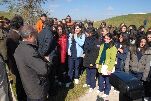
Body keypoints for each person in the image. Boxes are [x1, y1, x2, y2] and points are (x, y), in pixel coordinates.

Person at [14, 25, 49, 101]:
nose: (36, 38)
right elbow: (44, 70)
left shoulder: (18, 48)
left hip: (28, 86)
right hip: (36, 89)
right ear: (30, 36)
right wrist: (46, 62)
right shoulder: (29, 51)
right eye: (35, 35)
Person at [96, 33, 117, 98]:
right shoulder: (102, 45)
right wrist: (97, 62)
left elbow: (113, 59)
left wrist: (110, 69)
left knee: (107, 80)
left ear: (111, 39)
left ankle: (107, 92)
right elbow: (99, 55)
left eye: (108, 39)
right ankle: (101, 88)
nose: (106, 40)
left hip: (107, 66)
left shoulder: (113, 47)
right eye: (105, 38)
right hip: (101, 64)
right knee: (101, 78)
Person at [83, 28, 99, 92]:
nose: (85, 34)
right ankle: (88, 82)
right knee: (88, 71)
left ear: (90, 33)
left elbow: (96, 52)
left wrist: (93, 61)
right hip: (87, 58)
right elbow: (85, 47)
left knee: (92, 73)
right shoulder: (86, 39)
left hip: (92, 58)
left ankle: (92, 85)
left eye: (86, 33)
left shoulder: (96, 40)